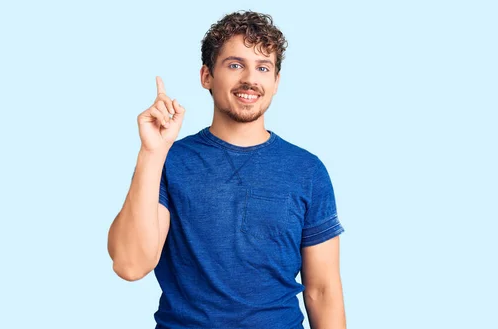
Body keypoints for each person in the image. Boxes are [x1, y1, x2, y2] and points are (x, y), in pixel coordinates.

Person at [107, 10, 346, 329]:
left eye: (263, 67)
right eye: (235, 65)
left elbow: (323, 290)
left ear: (275, 82)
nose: (250, 79)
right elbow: (130, 265)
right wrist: (152, 152)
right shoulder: (169, 160)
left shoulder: (308, 170)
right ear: (207, 76)